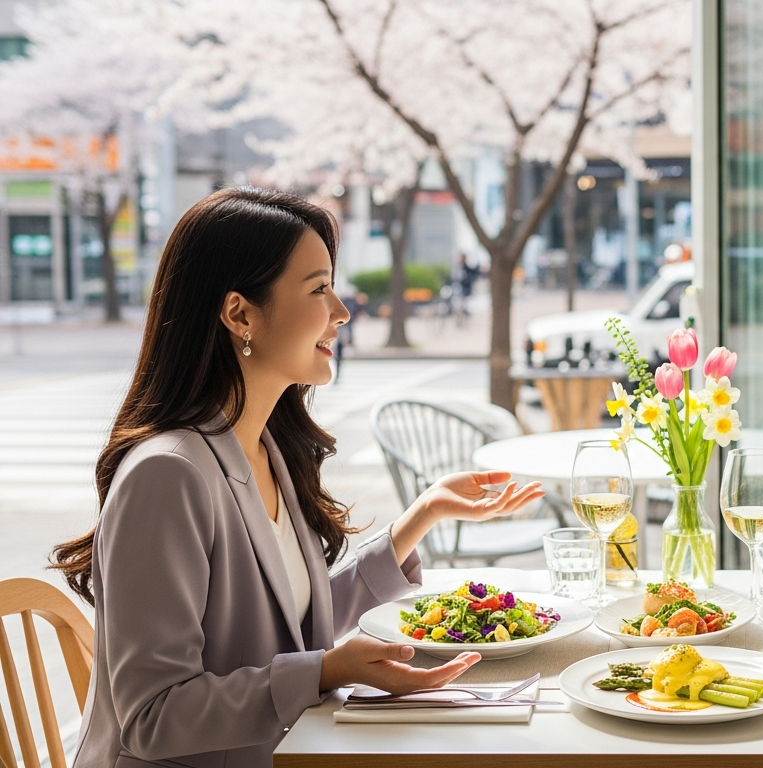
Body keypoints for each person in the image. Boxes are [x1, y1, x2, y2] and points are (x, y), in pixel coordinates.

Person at [53, 188, 545, 767]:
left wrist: (422, 516)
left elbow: (290, 626)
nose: (341, 311)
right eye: (318, 289)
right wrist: (325, 671)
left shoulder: (261, 447)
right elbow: (153, 716)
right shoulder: (168, 474)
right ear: (240, 313)